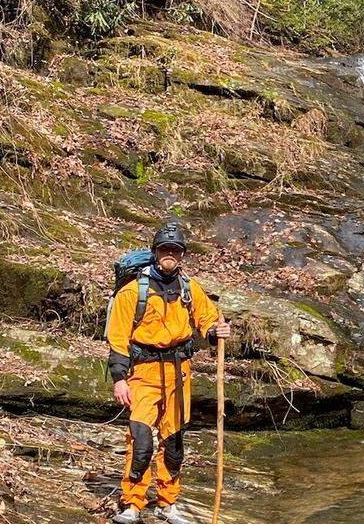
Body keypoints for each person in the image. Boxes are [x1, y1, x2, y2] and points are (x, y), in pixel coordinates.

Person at [107, 223, 230, 524]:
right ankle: (132, 503)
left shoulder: (190, 289)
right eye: (165, 249)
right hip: (143, 372)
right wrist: (119, 378)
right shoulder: (132, 292)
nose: (170, 255)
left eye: (175, 250)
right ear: (155, 252)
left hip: (179, 372)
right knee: (140, 439)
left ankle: (167, 502)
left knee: (174, 439)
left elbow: (207, 321)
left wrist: (216, 331)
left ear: (182, 255)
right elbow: (118, 337)